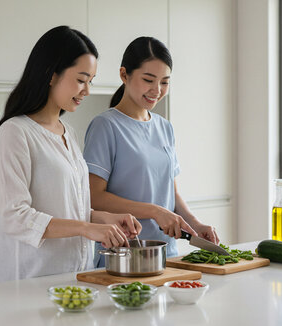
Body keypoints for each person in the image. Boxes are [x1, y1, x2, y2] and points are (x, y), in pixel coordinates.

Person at [0, 26, 141, 282]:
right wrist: (87, 228)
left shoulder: (67, 132)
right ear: (51, 74)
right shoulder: (16, 132)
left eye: (91, 81)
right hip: (30, 282)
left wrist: (102, 219)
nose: (87, 91)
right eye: (81, 79)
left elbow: (66, 207)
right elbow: (15, 217)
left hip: (75, 279)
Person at [83, 36, 220, 267]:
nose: (157, 90)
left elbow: (171, 194)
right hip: (123, 257)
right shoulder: (105, 126)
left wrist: (196, 225)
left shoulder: (164, 127)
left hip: (168, 255)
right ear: (124, 75)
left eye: (165, 82)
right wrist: (155, 212)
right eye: (148, 80)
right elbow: (94, 197)